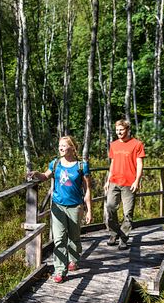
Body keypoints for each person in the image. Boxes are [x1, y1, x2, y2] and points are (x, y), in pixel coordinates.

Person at [28, 136, 92, 283]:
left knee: (74, 238)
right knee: (59, 239)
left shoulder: (82, 166)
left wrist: (89, 210)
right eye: (59, 146)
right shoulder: (55, 163)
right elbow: (45, 176)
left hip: (75, 206)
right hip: (57, 206)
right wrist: (36, 174)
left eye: (64, 146)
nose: (61, 148)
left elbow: (88, 189)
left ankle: (74, 259)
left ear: (72, 148)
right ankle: (60, 270)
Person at [104, 119, 146, 250]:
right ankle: (114, 233)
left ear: (128, 130)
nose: (119, 132)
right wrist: (108, 180)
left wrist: (137, 180)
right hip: (114, 181)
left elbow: (139, 164)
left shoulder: (137, 144)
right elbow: (112, 164)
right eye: (117, 130)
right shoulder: (114, 145)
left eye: (121, 130)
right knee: (110, 207)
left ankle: (123, 238)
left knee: (128, 213)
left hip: (129, 183)